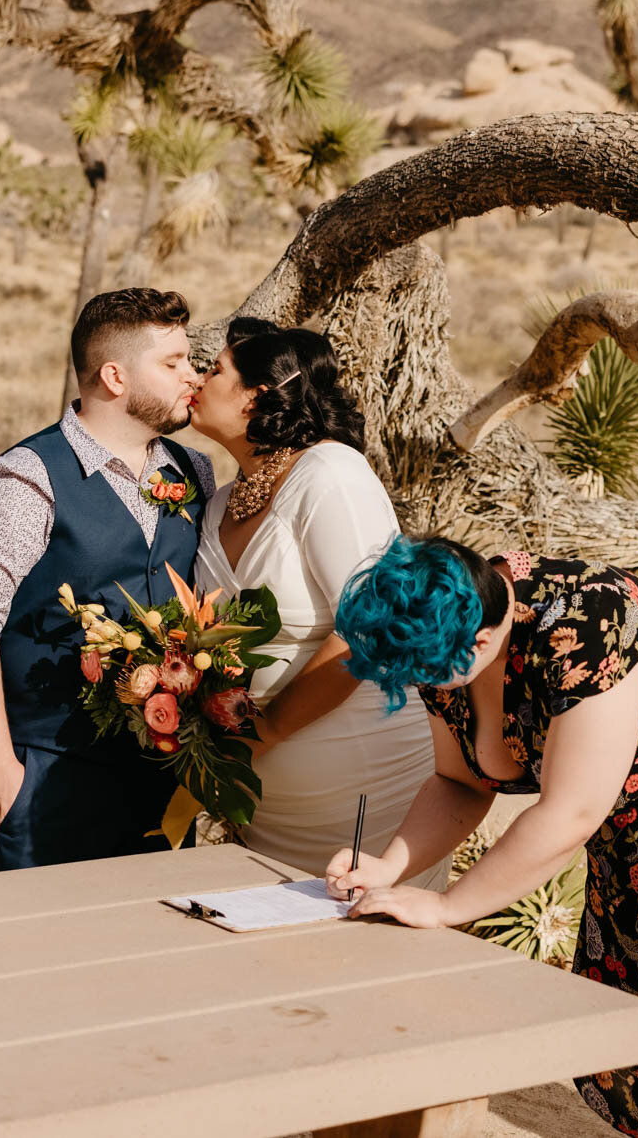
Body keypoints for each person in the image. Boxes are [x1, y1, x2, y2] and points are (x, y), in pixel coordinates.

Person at [328, 538, 638, 1138]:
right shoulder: (451, 628)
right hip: (632, 816)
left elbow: (570, 812)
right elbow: (459, 783)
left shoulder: (587, 622)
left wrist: (447, 904)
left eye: (424, 674)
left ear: (482, 641)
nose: (419, 686)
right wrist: (389, 868)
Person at [0, 287, 212, 870]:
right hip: (50, 771)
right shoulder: (26, 479)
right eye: (173, 363)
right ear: (115, 376)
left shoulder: (195, 471)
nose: (193, 374)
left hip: (165, 770)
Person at [187, 317, 447, 888]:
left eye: (215, 370)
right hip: (262, 801)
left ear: (257, 395)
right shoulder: (218, 503)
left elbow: (370, 627)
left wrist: (267, 733)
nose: (197, 380)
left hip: (362, 789)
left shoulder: (330, 473)